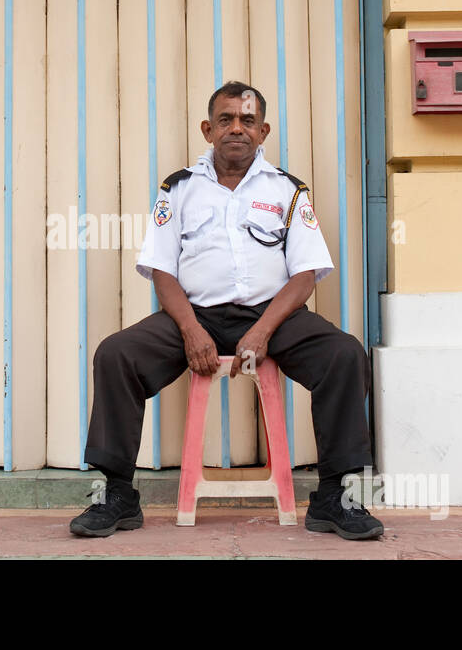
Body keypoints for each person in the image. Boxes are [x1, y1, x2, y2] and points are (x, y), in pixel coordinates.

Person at [69, 81, 383, 540]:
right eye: (226, 120)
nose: (237, 128)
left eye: (248, 121)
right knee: (116, 354)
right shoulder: (178, 190)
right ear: (207, 129)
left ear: (263, 131)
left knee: (345, 354)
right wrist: (191, 329)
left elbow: (304, 275)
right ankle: (115, 494)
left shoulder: (288, 190)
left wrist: (261, 332)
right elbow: (162, 271)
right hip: (197, 315)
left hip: (275, 316)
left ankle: (336, 497)